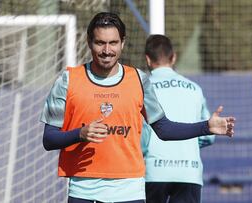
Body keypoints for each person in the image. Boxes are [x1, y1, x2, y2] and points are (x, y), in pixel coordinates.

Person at [40, 12, 235, 203]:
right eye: (100, 43)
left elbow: (164, 129)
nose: (107, 50)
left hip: (129, 192)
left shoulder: (139, 80)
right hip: (83, 192)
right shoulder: (68, 80)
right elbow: (49, 139)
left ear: (122, 43)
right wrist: (80, 134)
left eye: (113, 43)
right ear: (89, 42)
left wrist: (206, 127)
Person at [142, 34, 215, 203]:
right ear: (173, 57)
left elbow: (140, 134)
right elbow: (209, 136)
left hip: (153, 172)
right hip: (189, 172)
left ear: (147, 59)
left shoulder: (143, 88)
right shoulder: (194, 89)